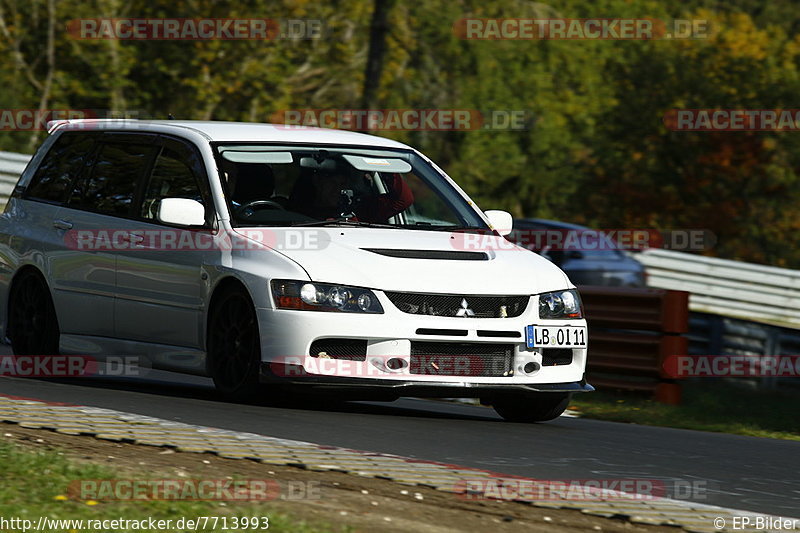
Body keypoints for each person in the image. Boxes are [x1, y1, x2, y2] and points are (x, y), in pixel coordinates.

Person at [291, 168, 413, 223]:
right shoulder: (292, 214)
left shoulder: (359, 210)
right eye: (332, 183)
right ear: (317, 181)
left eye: (342, 184)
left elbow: (403, 199)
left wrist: (383, 162)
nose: (337, 189)